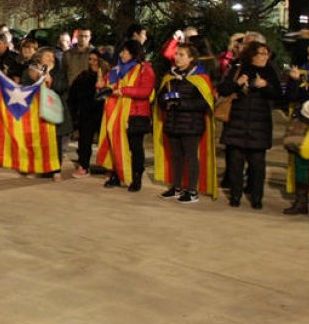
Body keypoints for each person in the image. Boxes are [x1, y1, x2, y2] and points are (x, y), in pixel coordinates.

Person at [217, 41, 281, 209]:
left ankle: (257, 197)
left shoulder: (270, 72)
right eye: (261, 53)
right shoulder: (238, 69)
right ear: (252, 55)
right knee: (235, 163)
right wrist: (237, 83)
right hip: (237, 123)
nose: (265, 57)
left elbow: (278, 95)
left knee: (257, 164)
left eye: (267, 54)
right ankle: (235, 195)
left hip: (259, 125)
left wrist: (266, 86)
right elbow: (223, 89)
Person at [153, 44, 215, 205]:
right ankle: (176, 187)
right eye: (176, 54)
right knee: (176, 157)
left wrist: (181, 103)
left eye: (181, 55)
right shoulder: (170, 76)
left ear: (191, 58)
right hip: (173, 123)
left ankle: (192, 190)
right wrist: (165, 101)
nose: (177, 57)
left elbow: (205, 103)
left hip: (191, 125)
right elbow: (160, 98)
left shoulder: (200, 77)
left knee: (191, 157)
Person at [96, 39, 155, 191]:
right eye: (121, 51)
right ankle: (117, 174)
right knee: (115, 143)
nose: (122, 54)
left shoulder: (144, 69)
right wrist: (102, 86)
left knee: (135, 147)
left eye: (126, 52)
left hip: (136, 113)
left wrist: (123, 91)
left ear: (134, 53)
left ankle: (136, 177)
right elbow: (109, 86)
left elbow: (145, 91)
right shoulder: (116, 69)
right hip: (116, 114)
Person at [23, 47, 72, 178]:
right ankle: (40, 168)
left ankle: (56, 170)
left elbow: (63, 87)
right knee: (39, 141)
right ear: (39, 58)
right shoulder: (30, 71)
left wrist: (51, 81)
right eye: (47, 56)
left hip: (54, 111)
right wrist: (35, 80)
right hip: (37, 112)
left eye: (52, 57)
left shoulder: (59, 72)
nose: (51, 59)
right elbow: (25, 87)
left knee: (56, 142)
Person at [283, 41, 309, 216]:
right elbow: (291, 96)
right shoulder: (303, 73)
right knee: (300, 161)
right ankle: (301, 201)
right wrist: (295, 81)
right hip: (303, 122)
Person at [67, 50, 106, 177]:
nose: (92, 62)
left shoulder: (108, 76)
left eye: (95, 60)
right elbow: (73, 95)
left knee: (106, 140)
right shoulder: (83, 76)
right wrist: (75, 113)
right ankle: (83, 165)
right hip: (87, 113)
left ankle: (110, 168)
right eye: (90, 59)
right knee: (84, 141)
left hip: (104, 113)